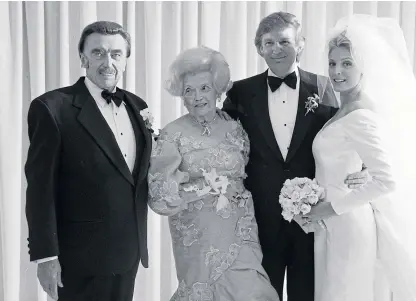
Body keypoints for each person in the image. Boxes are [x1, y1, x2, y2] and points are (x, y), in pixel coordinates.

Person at [222, 12, 368, 301]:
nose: (277, 48)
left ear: (300, 44)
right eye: (269, 42)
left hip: (313, 218)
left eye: (285, 41)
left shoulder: (328, 87)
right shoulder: (240, 91)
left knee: (308, 294)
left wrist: (362, 166)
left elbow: (350, 131)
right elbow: (224, 144)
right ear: (259, 48)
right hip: (260, 218)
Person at [25, 21, 152, 301]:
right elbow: (39, 189)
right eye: (98, 53)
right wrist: (46, 255)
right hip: (77, 259)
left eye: (116, 54)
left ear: (126, 59)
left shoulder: (138, 106)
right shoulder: (51, 108)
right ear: (83, 58)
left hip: (128, 253)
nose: (108, 62)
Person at [147, 46, 280, 300]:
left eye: (204, 88)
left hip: (241, 227)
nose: (197, 97)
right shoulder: (172, 134)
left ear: (218, 89)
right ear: (181, 96)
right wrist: (202, 188)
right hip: (198, 234)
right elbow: (159, 196)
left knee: (253, 291)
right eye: (189, 90)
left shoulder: (235, 127)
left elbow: (245, 173)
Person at [304, 14, 416, 301]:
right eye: (332, 63)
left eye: (347, 63)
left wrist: (330, 209)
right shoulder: (345, 108)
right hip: (333, 223)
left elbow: (386, 181)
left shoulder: (361, 114)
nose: (337, 71)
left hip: (348, 223)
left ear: (363, 66)